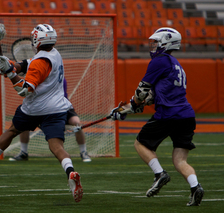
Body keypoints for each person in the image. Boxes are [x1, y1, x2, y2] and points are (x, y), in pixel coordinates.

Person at [0, 24, 83, 202]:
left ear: (37, 40)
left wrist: (9, 72)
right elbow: (26, 65)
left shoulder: (41, 62)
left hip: (34, 108)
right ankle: (71, 172)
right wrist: (10, 65)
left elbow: (25, 90)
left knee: (12, 131)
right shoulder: (54, 54)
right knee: (56, 146)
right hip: (56, 109)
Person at [111, 27, 204, 206]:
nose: (152, 46)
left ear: (165, 42)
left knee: (140, 143)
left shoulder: (159, 61)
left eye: (155, 42)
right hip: (186, 115)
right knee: (180, 160)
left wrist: (132, 105)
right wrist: (127, 109)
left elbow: (142, 91)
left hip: (169, 113)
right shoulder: (175, 63)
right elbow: (152, 96)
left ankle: (159, 174)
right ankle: (195, 187)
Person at [11, 78, 91, 162]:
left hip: (61, 107)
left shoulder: (60, 79)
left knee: (76, 123)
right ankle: (23, 152)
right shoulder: (38, 78)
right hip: (41, 108)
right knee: (25, 123)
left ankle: (83, 152)